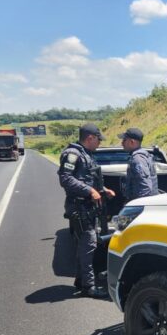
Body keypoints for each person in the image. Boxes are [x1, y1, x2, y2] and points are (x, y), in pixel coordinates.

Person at [58, 123, 115, 298]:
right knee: (88, 245)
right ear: (90, 138)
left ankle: (80, 280)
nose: (99, 143)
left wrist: (103, 190)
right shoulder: (73, 155)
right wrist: (90, 191)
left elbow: (89, 178)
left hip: (88, 207)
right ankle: (88, 286)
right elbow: (65, 178)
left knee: (85, 245)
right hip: (79, 206)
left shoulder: (86, 155)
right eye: (98, 140)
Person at [118, 127, 158, 203]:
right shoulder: (141, 156)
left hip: (143, 204)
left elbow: (145, 187)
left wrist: (138, 206)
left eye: (124, 140)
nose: (122, 143)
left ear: (132, 142)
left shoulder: (138, 159)